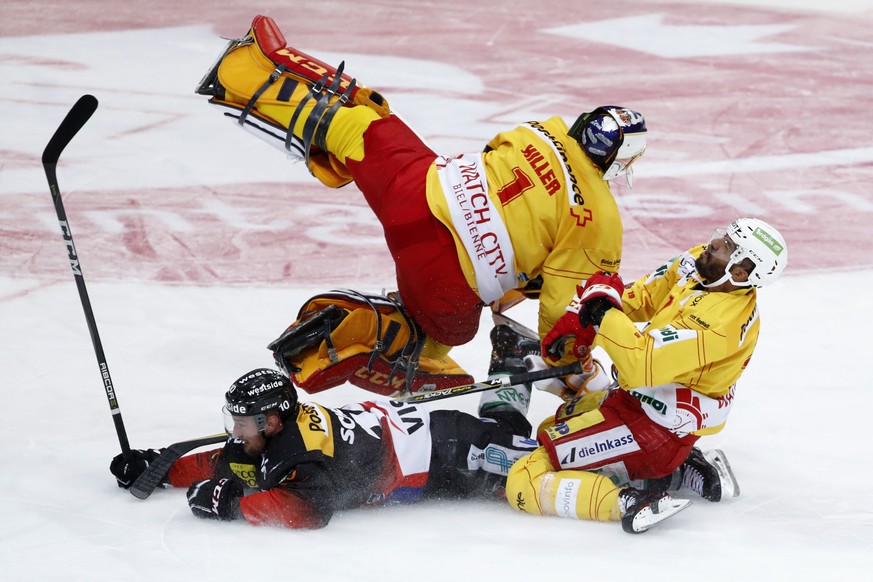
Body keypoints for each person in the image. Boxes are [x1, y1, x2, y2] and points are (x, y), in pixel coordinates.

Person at [194, 15, 647, 395]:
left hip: (414, 190)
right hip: (441, 279)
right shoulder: (601, 221)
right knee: (447, 328)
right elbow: (558, 313)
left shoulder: (540, 129)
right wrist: (571, 364)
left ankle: (248, 70)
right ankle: (340, 343)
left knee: (362, 118)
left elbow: (492, 160)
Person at [504, 217, 788, 533]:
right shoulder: (704, 265)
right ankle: (674, 471)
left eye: (729, 246)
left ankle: (629, 501)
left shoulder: (720, 325)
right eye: (724, 235)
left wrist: (601, 312)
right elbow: (645, 296)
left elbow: (642, 365)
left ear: (739, 272)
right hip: (639, 406)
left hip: (654, 430)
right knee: (549, 428)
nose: (715, 243)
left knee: (524, 477)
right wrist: (583, 317)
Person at [110, 367, 537, 528]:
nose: (235, 432)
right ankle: (515, 364)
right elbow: (227, 459)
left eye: (241, 423)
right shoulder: (271, 436)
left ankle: (538, 383)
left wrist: (232, 508)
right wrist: (160, 468)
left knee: (536, 469)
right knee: (505, 436)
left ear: (271, 421)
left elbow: (308, 511)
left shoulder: (299, 453)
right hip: (427, 445)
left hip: (448, 454)